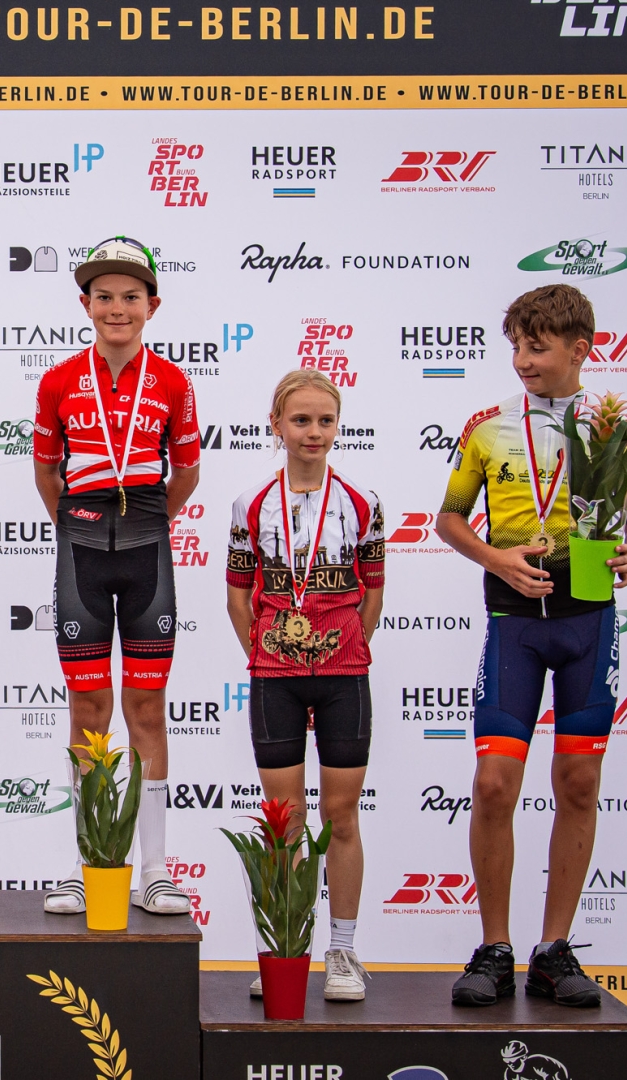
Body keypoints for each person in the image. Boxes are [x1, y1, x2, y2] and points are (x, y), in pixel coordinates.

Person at [436, 284, 627, 1008]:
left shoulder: (615, 427)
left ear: (579, 350)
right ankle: (494, 947)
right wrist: (496, 559)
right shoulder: (487, 426)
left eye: (536, 347)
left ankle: (553, 950)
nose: (522, 361)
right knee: (494, 784)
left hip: (587, 618)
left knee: (579, 783)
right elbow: (448, 519)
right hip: (515, 623)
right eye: (516, 348)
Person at [32, 236, 200, 918]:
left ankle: (154, 868)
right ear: (85, 304)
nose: (117, 308)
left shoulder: (173, 382)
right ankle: (90, 864)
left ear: (151, 305)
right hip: (81, 551)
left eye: (130, 296)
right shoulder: (57, 380)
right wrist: (80, 522)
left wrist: (145, 522)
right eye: (103, 297)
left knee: (146, 709)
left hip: (146, 551)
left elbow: (186, 472)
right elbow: (46, 472)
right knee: (88, 710)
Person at [225, 370, 384, 1001]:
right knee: (284, 821)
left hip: (344, 675)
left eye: (324, 420)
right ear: (276, 425)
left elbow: (372, 593)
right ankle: (287, 948)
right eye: (300, 420)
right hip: (276, 680)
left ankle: (342, 951)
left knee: (341, 815)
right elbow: (239, 597)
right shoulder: (250, 504)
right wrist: (271, 655)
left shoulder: (364, 500)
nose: (313, 432)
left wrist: (342, 647)